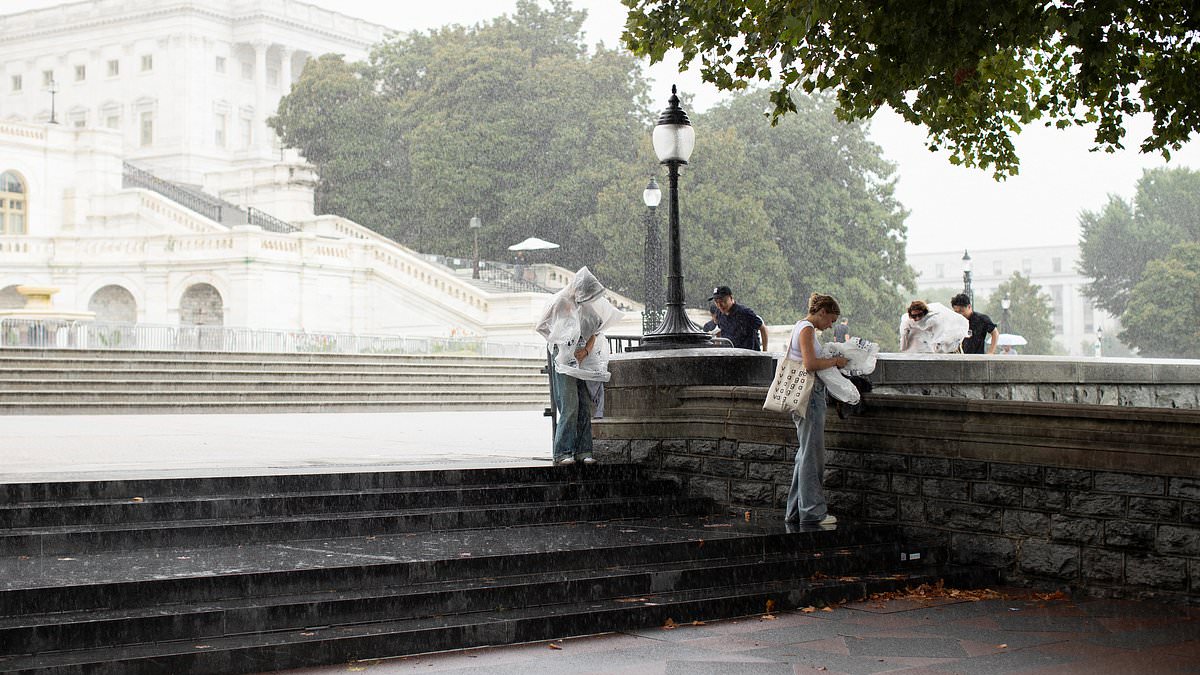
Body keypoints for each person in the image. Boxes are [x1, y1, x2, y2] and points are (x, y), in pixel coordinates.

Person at [536, 267, 623, 465]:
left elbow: (596, 328)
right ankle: (563, 452)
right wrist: (561, 344)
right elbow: (542, 326)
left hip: (581, 358)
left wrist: (584, 351)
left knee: (583, 404)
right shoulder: (560, 301)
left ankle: (584, 451)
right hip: (564, 359)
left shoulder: (583, 305)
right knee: (570, 405)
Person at [784, 292, 849, 526]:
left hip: (803, 396)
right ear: (822, 312)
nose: (830, 325)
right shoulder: (807, 329)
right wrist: (836, 362)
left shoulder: (800, 327)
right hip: (810, 396)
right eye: (830, 319)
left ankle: (794, 511)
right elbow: (810, 364)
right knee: (812, 455)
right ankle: (813, 511)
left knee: (804, 454)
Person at [709, 285, 768, 351]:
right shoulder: (719, 313)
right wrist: (718, 349)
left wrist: (764, 352)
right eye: (716, 302)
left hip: (750, 356)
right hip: (731, 356)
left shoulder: (745, 313)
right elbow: (720, 330)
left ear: (731, 298)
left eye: (723, 301)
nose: (720, 305)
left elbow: (763, 328)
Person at [899, 300, 969, 353]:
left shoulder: (935, 319)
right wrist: (905, 334)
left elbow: (939, 341)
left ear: (925, 313)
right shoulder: (907, 321)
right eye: (914, 316)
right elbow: (903, 347)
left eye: (919, 315)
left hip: (950, 335)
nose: (917, 318)